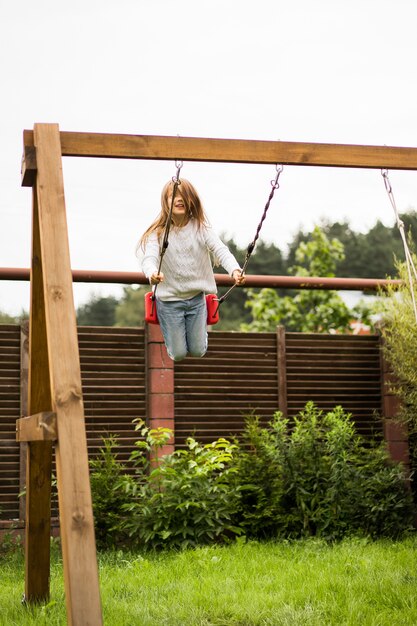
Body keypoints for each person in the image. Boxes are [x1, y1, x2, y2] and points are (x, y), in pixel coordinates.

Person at [138, 178, 245, 361]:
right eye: (173, 196)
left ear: (191, 200)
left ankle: (199, 333)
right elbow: (149, 258)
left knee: (198, 350)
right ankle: (175, 338)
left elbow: (220, 249)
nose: (179, 199)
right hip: (168, 302)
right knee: (178, 354)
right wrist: (152, 273)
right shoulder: (159, 233)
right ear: (165, 203)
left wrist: (235, 270)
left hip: (196, 299)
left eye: (183, 196)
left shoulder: (201, 228)